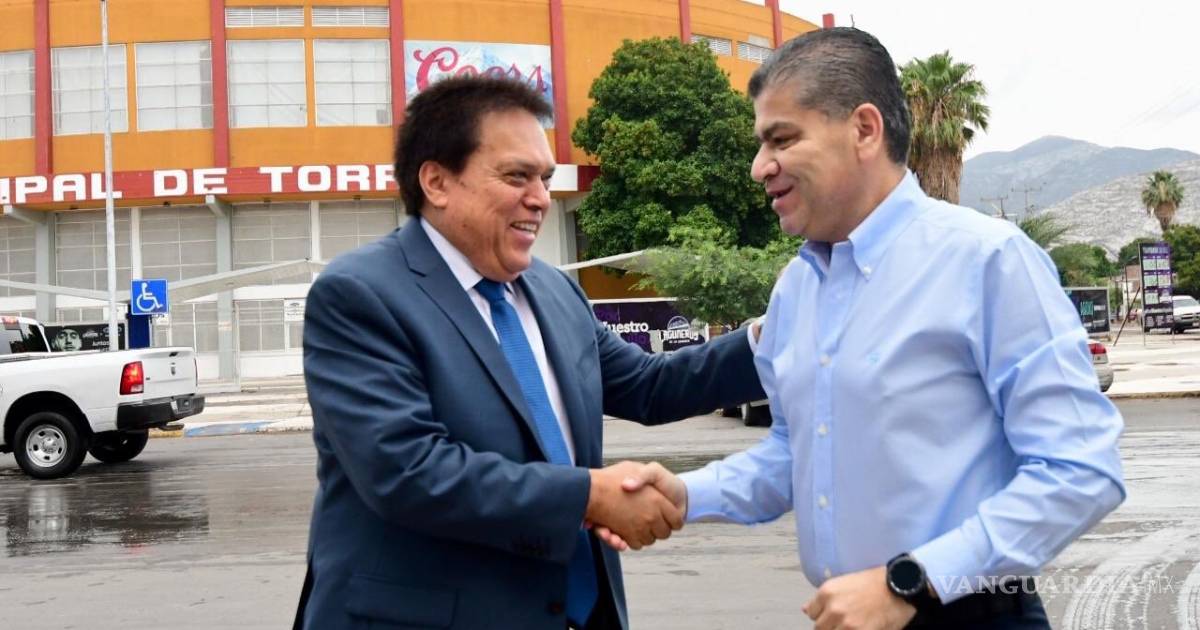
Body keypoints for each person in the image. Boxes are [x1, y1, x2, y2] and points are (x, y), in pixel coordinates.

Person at [610, 27, 1125, 630]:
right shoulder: (797, 289)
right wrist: (688, 495)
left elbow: (1080, 471)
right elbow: (796, 454)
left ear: (864, 129)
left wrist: (911, 581)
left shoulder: (988, 261)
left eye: (782, 139)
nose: (759, 167)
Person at [294, 75, 765, 630]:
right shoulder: (361, 294)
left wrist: (773, 339)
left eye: (545, 178)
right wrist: (588, 496)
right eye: (517, 176)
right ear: (437, 182)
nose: (540, 198)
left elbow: (648, 385)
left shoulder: (553, 289)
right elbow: (408, 471)